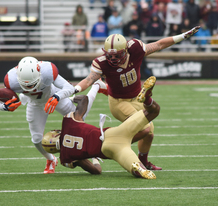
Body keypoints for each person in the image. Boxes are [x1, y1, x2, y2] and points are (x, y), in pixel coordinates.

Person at [73, 27, 200, 171]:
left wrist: (182, 36)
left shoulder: (136, 49)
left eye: (117, 55)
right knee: (146, 129)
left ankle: (143, 161)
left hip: (136, 98)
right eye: (110, 55)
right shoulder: (101, 63)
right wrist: (75, 89)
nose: (113, 59)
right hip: (119, 102)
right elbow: (89, 80)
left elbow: (159, 44)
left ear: (126, 50)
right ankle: (103, 148)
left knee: (149, 135)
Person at [0, 56, 97, 174]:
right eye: (26, 85)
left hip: (53, 96)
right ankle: (51, 159)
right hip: (35, 103)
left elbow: (69, 87)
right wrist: (5, 107)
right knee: (36, 139)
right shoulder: (11, 79)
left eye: (32, 84)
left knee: (79, 118)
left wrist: (57, 97)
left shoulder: (47, 71)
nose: (30, 88)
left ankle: (96, 86)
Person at [43, 76, 160, 179]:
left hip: (109, 150)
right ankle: (147, 98)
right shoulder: (68, 122)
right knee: (153, 114)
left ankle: (136, 167)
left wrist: (94, 158)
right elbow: (84, 99)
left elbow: (96, 171)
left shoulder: (66, 159)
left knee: (132, 160)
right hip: (112, 134)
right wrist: (69, 99)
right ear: (55, 133)